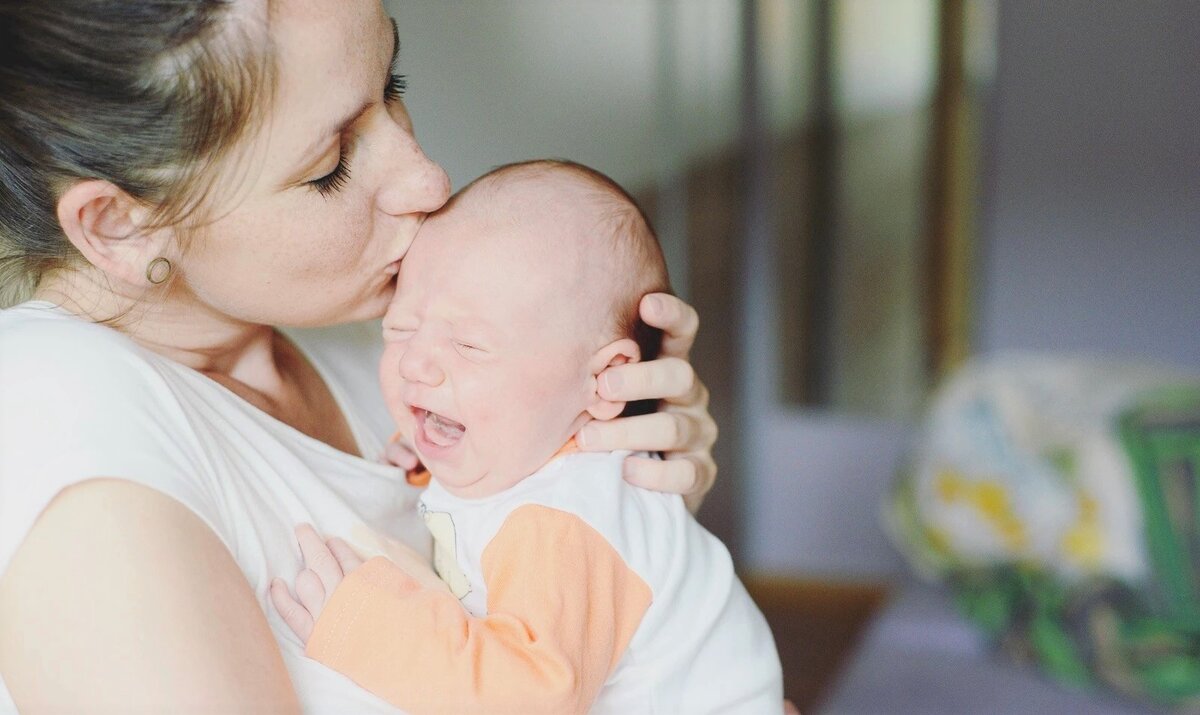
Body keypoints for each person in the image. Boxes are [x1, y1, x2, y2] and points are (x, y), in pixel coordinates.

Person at [0, 2, 720, 712]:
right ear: (122, 225)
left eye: (393, 88)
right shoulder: (59, 424)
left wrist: (616, 498)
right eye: (332, 162)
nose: (428, 179)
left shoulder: (371, 339)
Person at [270, 160, 784, 713]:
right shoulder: (527, 450)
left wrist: (372, 630)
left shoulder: (565, 523)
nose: (417, 363)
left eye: (469, 345)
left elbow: (532, 695)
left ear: (602, 382)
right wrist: (426, 455)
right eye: (401, 328)